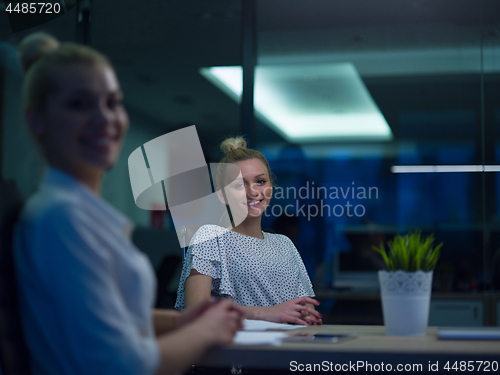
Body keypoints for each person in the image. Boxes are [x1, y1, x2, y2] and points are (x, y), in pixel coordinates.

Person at [14, 32, 243, 375]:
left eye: (112, 102)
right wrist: (206, 330)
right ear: (38, 120)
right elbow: (119, 366)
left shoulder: (79, 214)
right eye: (79, 104)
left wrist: (180, 321)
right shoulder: (60, 218)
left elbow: (102, 317)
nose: (105, 118)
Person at [175, 137, 322, 325]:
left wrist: (307, 315)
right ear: (222, 194)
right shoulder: (210, 238)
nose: (252, 192)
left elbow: (307, 308)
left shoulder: (284, 244)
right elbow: (196, 310)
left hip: (290, 347)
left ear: (270, 188)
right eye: (238, 185)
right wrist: (266, 313)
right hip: (240, 351)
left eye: (260, 181)